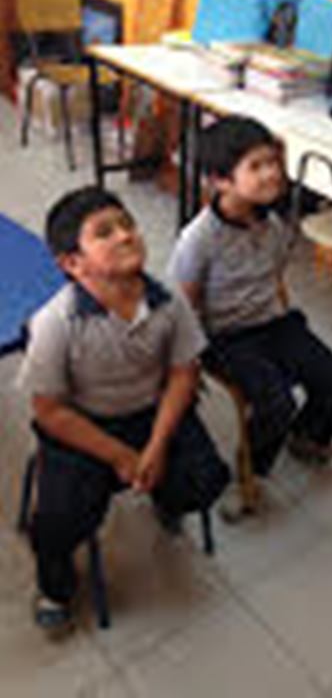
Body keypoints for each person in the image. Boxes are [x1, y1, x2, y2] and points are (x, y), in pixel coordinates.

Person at [19, 186, 230, 634]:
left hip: (151, 413)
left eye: (127, 224)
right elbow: (50, 413)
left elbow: (183, 374)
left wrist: (154, 447)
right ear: (72, 264)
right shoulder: (55, 323)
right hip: (84, 426)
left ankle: (165, 497)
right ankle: (56, 589)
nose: (125, 235)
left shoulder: (168, 300)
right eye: (104, 232)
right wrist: (121, 456)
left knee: (205, 479)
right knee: (55, 524)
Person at [167, 115, 332, 498]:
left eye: (272, 162)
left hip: (272, 322)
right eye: (256, 166)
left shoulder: (273, 224)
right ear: (221, 181)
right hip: (226, 336)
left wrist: (284, 316)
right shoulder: (198, 239)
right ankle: (250, 472)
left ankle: (308, 438)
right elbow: (183, 305)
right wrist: (190, 360)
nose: (272, 173)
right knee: (276, 405)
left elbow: (273, 278)